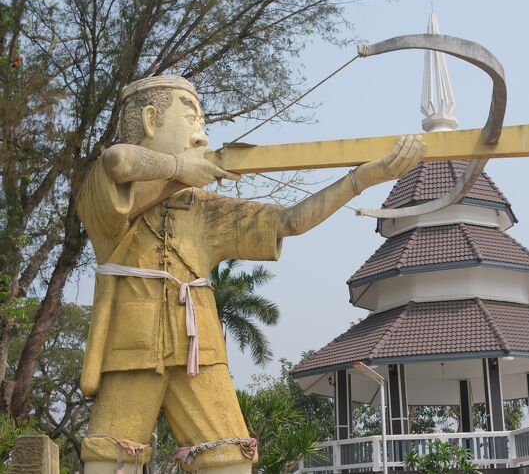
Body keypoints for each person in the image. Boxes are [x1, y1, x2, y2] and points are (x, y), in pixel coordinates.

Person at [76, 75, 425, 474]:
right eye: (191, 119)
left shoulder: (204, 209)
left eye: (203, 124)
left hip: (201, 352)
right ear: (151, 120)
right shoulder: (104, 197)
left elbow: (290, 221)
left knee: (229, 457)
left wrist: (361, 178)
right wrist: (179, 168)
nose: (202, 135)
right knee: (110, 457)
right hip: (130, 348)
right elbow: (118, 162)